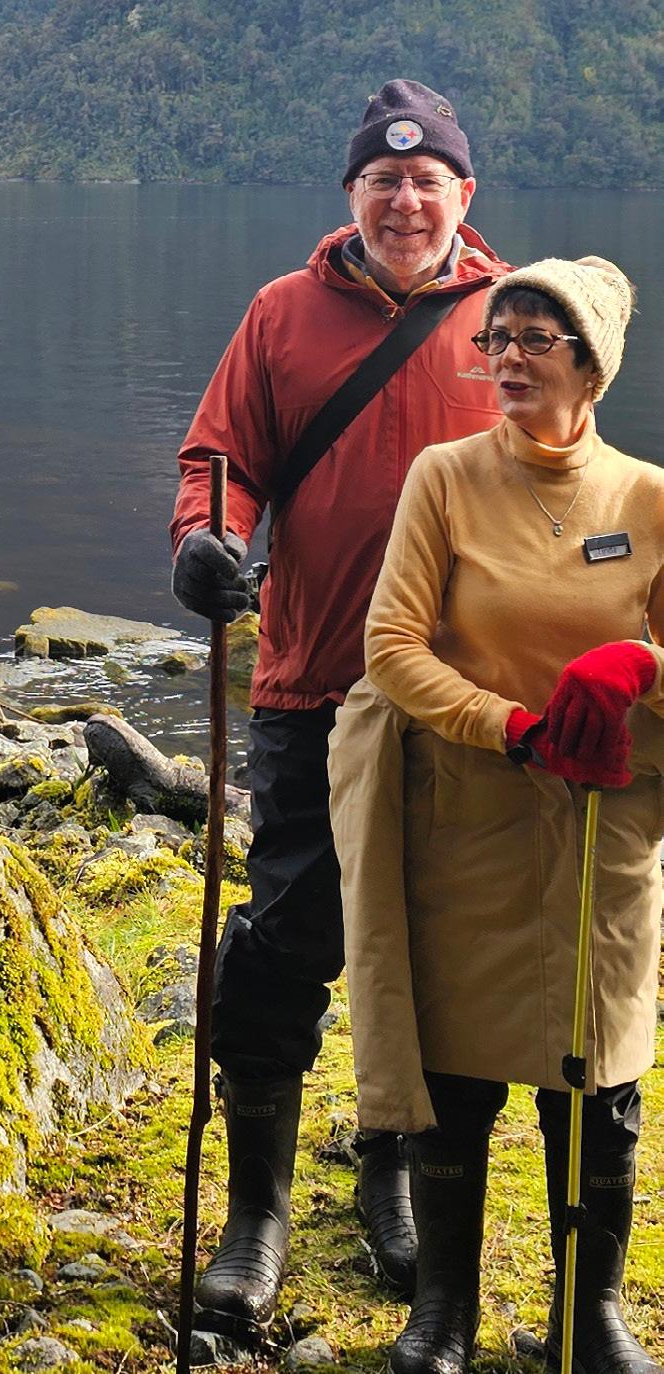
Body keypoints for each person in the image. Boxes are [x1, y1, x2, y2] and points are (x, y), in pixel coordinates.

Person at [172, 80, 509, 1336]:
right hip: (314, 679)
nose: (405, 199)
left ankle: (395, 1171)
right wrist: (207, 541)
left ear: (464, 194)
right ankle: (255, 1212)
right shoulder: (282, 313)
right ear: (351, 193)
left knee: (439, 946)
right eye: (383, 179)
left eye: (427, 180)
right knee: (290, 930)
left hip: (466, 698)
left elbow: (568, 477)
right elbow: (222, 459)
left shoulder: (513, 317)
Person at [332, 258, 664, 1374]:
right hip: (466, 809)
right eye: (496, 337)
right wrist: (511, 725)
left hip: (601, 822)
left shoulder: (650, 497)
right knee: (457, 1066)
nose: (507, 358)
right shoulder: (446, 477)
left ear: (592, 366)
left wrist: (641, 666)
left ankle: (588, 1315)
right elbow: (391, 646)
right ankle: (444, 1312)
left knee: (599, 1064)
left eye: (534, 338)